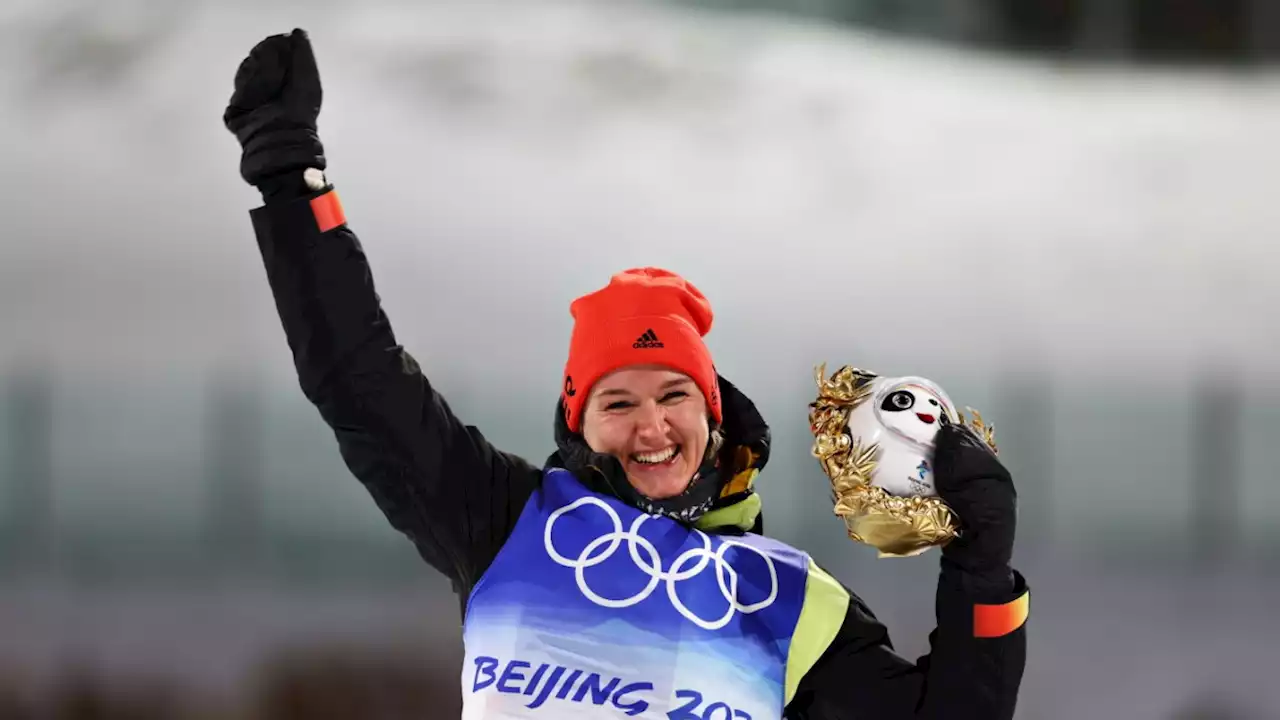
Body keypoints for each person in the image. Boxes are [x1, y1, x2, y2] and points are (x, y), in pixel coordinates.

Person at [224, 28, 1029, 720]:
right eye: (619, 401)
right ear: (578, 421)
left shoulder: (790, 602)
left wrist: (981, 573)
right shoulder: (505, 519)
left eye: (676, 394)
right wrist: (292, 183)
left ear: (715, 417)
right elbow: (356, 377)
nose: (652, 427)